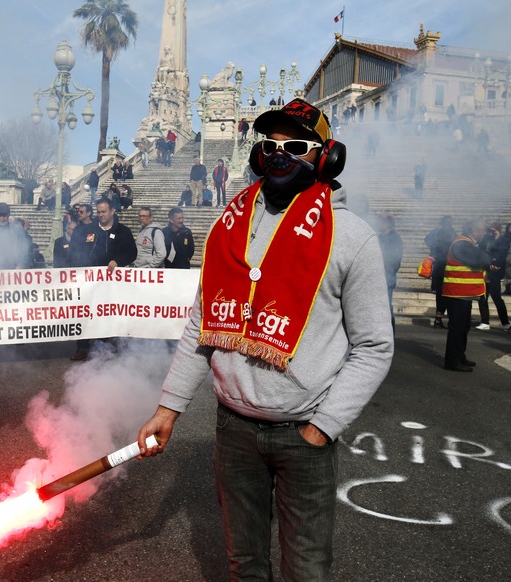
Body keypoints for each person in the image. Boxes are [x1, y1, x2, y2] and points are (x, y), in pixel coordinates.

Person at [138, 99, 393, 580]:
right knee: (245, 564)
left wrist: (326, 424)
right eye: (270, 145)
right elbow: (202, 324)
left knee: (307, 569)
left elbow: (375, 346)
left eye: (295, 146)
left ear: (326, 156)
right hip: (233, 431)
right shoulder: (227, 229)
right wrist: (169, 406)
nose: (279, 155)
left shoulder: (352, 237)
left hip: (305, 434)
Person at [66, 198, 137, 361]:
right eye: (98, 212)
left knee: (105, 312)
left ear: (113, 211)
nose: (101, 215)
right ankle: (82, 347)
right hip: (88, 281)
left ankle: (102, 346)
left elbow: (132, 253)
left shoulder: (123, 231)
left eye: (104, 212)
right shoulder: (84, 230)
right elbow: (74, 252)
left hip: (111, 283)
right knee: (84, 312)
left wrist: (118, 260)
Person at [441, 219, 493, 372]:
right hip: (457, 293)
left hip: (463, 294)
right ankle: (452, 361)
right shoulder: (461, 243)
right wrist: (489, 260)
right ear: (475, 231)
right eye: (482, 231)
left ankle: (460, 356)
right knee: (457, 328)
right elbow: (481, 258)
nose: (484, 233)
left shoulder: (466, 243)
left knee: (463, 327)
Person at [476, 223, 511, 330]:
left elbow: (503, 255)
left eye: (494, 230)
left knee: (497, 298)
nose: (491, 232)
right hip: (485, 271)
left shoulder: (503, 240)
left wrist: (497, 264)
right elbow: (481, 252)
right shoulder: (486, 240)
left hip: (495, 273)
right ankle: (485, 321)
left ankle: (505, 322)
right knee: (482, 298)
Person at [425, 216, 455, 328]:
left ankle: (439, 318)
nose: (449, 224)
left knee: (444, 294)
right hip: (441, 265)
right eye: (447, 222)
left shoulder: (453, 233)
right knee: (442, 294)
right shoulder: (437, 232)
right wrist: (435, 247)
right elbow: (427, 239)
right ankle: (438, 318)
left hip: (447, 265)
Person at [376, 213, 403, 328]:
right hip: (376, 277)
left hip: (387, 277)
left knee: (386, 306)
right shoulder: (379, 237)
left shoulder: (395, 238)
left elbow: (395, 259)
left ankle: (388, 333)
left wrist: (387, 270)